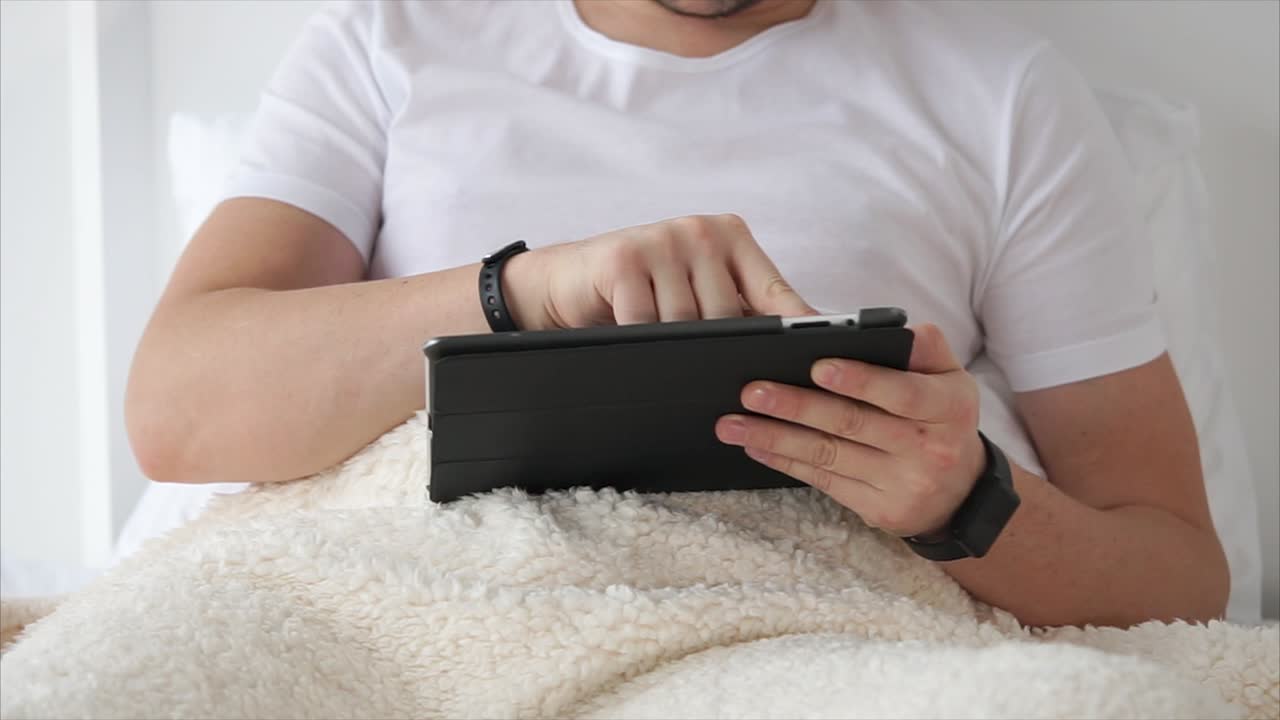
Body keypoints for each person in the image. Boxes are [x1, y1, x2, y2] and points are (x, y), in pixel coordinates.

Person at [124, 0, 1229, 628]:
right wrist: (516, 294)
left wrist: (965, 499)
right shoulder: (391, 38)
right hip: (411, 617)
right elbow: (177, 412)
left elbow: (1177, 572)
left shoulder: (999, 93)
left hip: (812, 643)